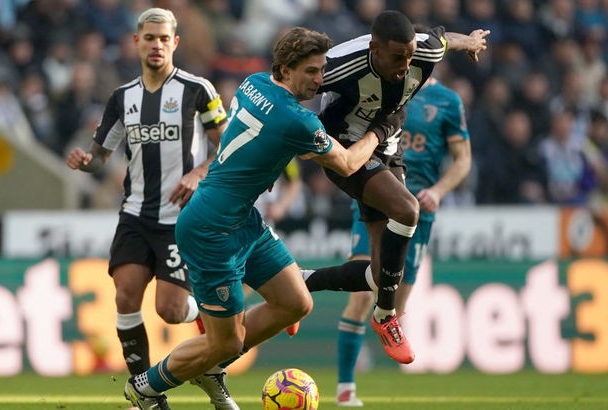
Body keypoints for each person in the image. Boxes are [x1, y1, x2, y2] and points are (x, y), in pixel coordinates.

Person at [123, 27, 401, 410]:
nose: (319, 80)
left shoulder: (253, 82)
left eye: (322, 70)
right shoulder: (297, 121)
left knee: (296, 303)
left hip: (242, 218)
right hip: (211, 230)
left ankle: (211, 367)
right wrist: (382, 129)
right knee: (226, 342)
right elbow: (350, 163)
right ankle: (145, 387)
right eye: (311, 71)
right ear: (285, 70)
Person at [65, 7, 227, 407]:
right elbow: (102, 154)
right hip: (135, 214)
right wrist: (87, 161)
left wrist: (198, 173)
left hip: (180, 219)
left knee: (170, 310)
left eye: (164, 38)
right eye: (149, 38)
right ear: (136, 42)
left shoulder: (197, 89)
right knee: (125, 297)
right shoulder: (122, 98)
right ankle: (147, 394)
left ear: (175, 43)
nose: (156, 45)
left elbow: (227, 146)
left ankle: (210, 314)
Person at [307, 10, 488, 364]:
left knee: (381, 275)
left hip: (389, 148)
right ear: (374, 49)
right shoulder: (340, 65)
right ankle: (386, 317)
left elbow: (445, 40)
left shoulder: (425, 51)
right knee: (407, 210)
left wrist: (469, 41)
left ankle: (300, 282)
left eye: (409, 55)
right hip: (346, 148)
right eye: (396, 57)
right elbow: (291, 86)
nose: (405, 65)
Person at [334, 77, 472, 406]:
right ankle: (345, 388)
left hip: (419, 208)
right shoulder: (381, 87)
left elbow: (462, 159)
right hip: (376, 196)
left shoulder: (447, 101)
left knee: (394, 304)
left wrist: (438, 191)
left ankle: (311, 286)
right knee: (361, 297)